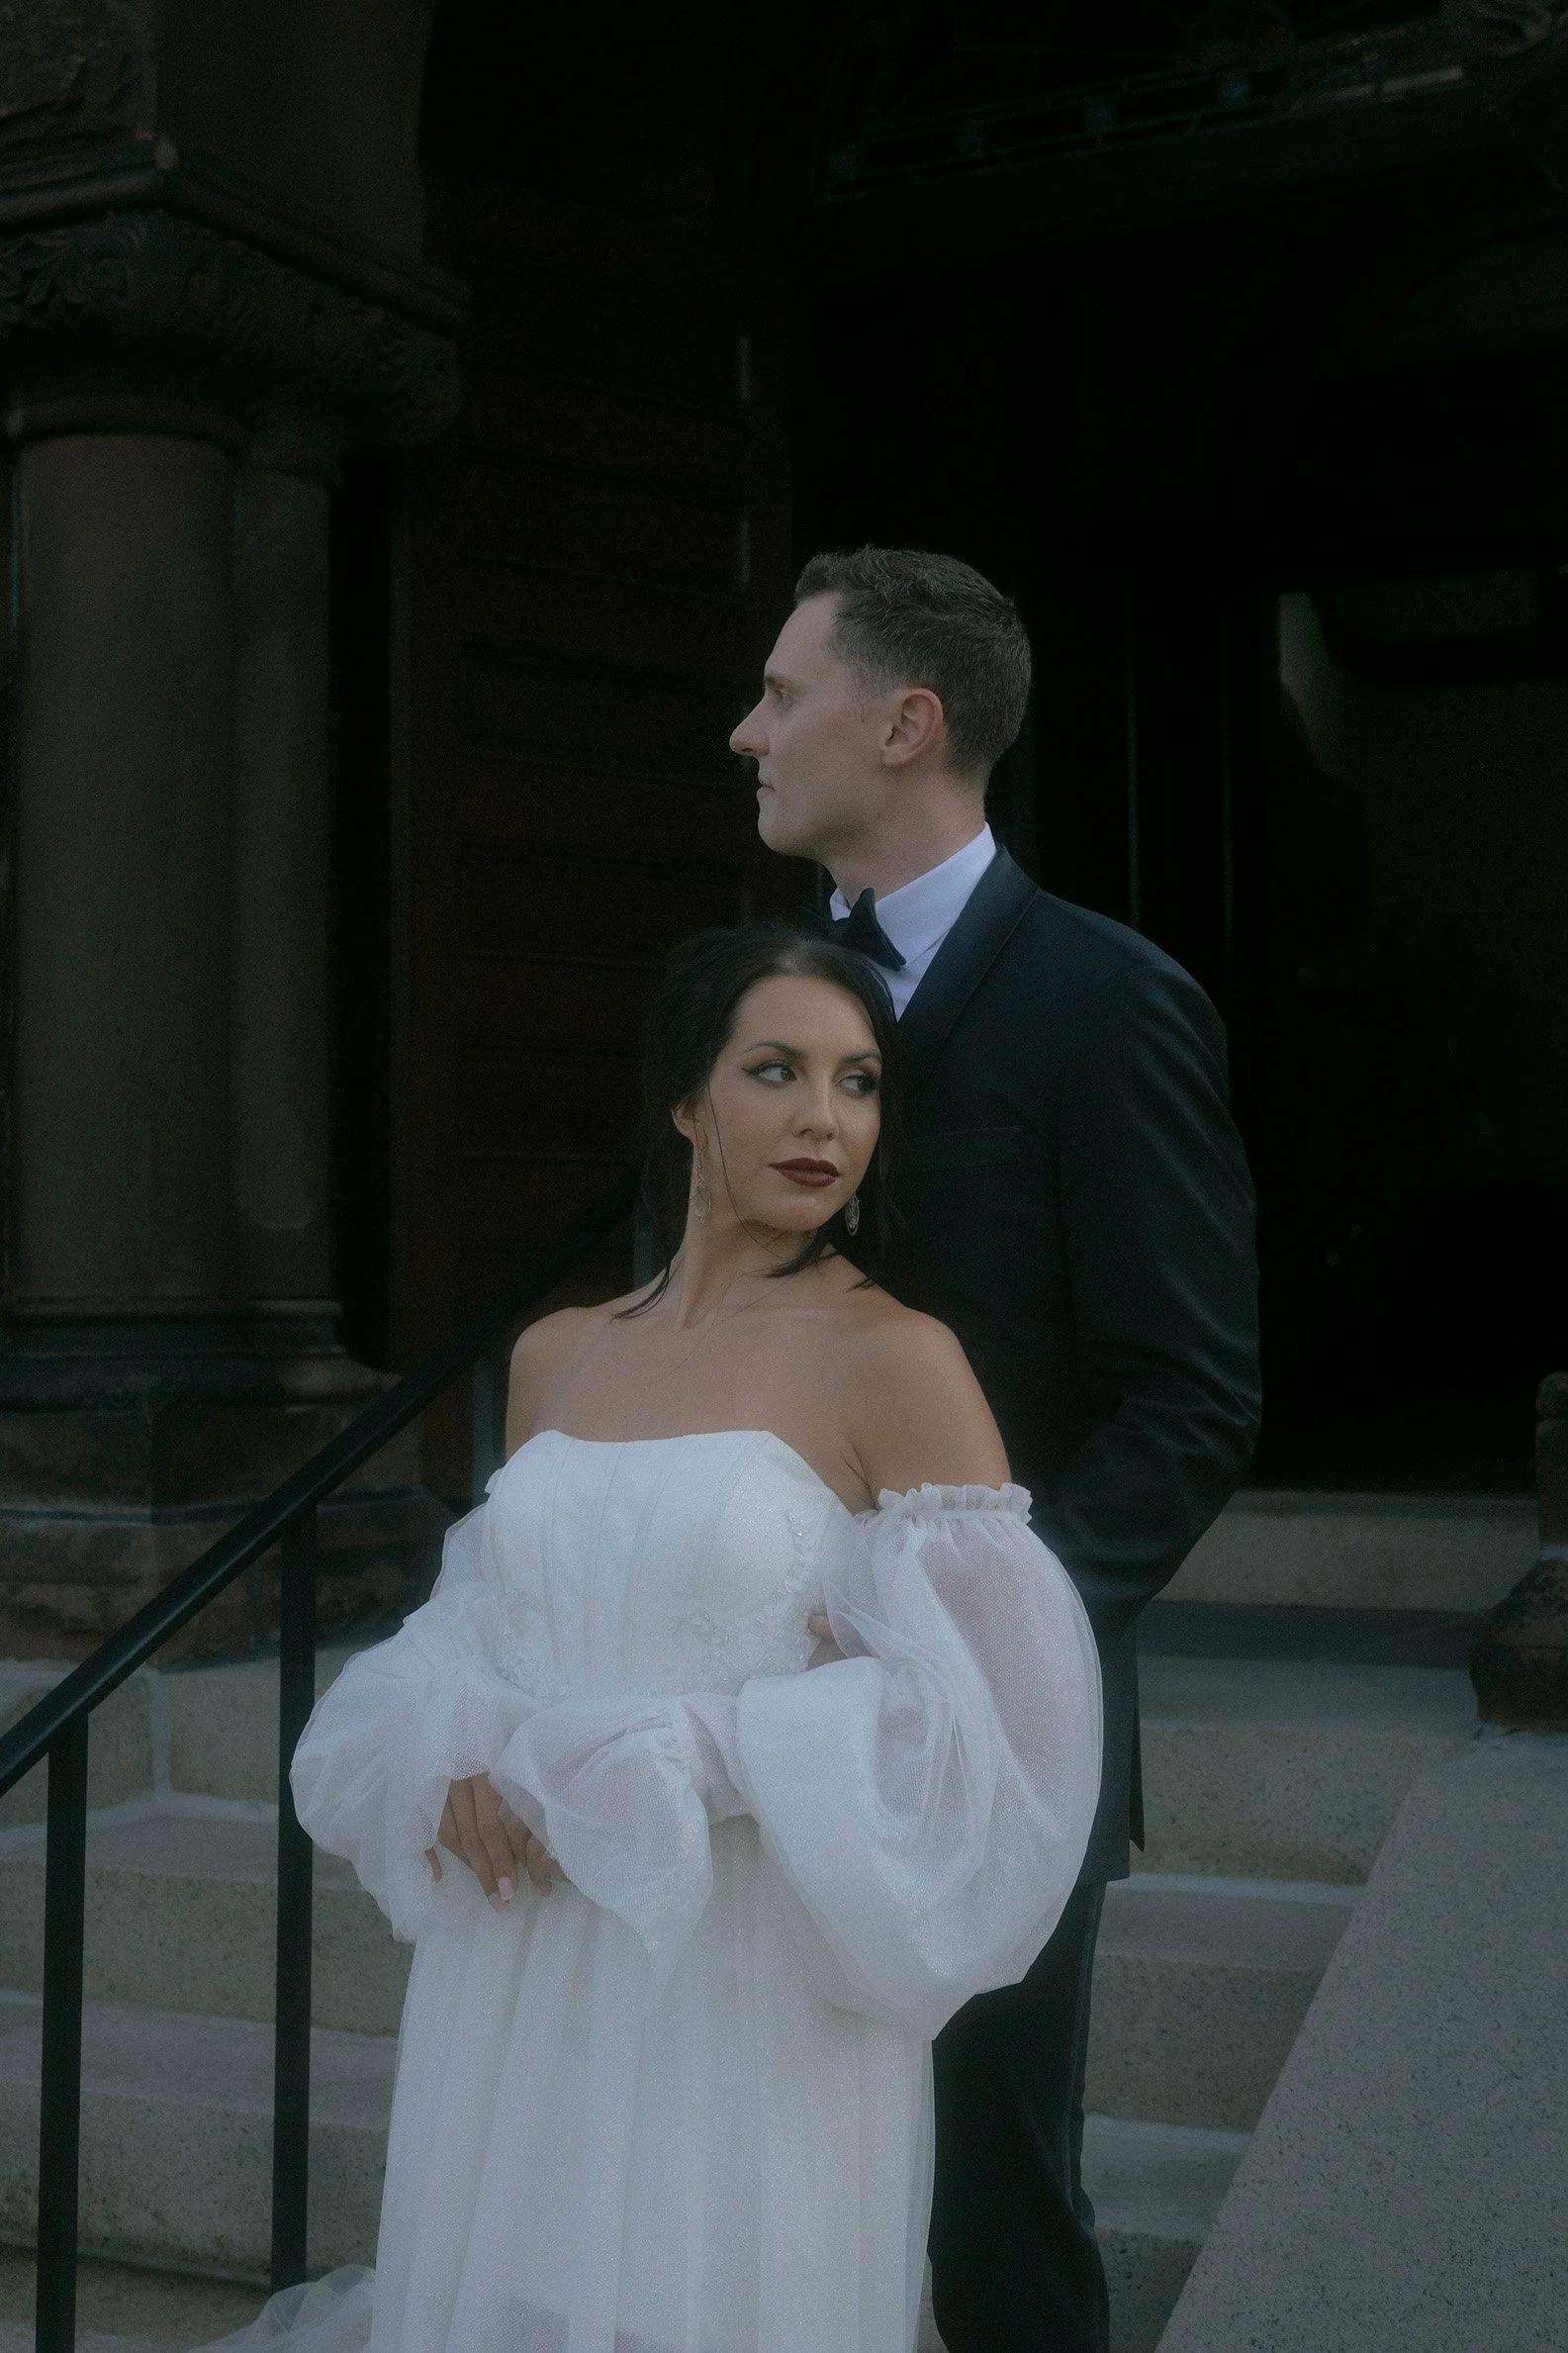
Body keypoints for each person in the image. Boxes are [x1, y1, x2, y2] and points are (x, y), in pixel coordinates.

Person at [205, 924, 1103, 2353]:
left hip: (749, 1970)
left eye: (860, 1081)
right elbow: (482, 1618)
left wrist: (701, 1746)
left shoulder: (899, 1362)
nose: (826, 1117)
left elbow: (1003, 1727)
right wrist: (456, 1752)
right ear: (687, 1101)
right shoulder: (560, 1351)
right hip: (527, 1963)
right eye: (777, 1070)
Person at [730, 548, 1261, 2353]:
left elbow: (1190, 1394)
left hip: (993, 1735)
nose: (749, 730)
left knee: (993, 2207)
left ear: (908, 720)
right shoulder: (756, 1000)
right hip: (738, 1701)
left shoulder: (1112, 1001)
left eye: (785, 692)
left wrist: (968, 1626)